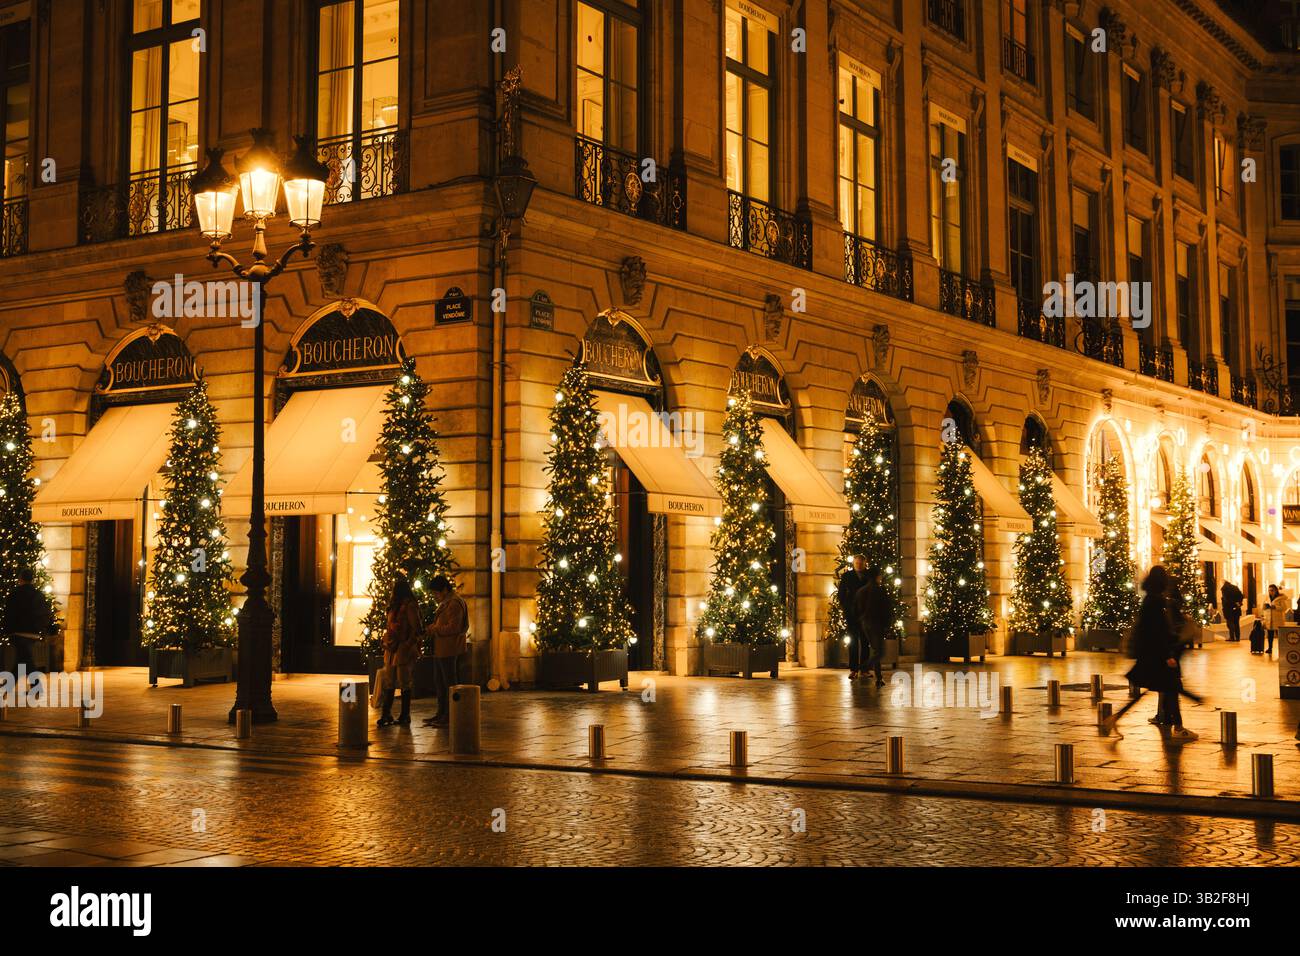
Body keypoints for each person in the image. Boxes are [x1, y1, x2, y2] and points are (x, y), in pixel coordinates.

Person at [1102, 566, 1197, 743]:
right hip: (1157, 657)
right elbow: (1157, 632)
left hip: (1151, 656)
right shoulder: (1155, 602)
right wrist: (1167, 655)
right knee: (1171, 689)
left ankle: (1114, 719)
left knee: (1167, 690)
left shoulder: (1150, 600)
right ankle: (1179, 728)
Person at [422, 575, 468, 727]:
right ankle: (441, 714)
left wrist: (435, 629)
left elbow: (454, 627)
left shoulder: (454, 603)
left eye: (436, 593)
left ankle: (450, 715)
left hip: (449, 648)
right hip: (442, 648)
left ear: (444, 590)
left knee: (449, 684)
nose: (435, 597)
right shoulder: (447, 602)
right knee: (440, 682)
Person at [377, 576, 422, 728]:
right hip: (392, 648)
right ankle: (386, 713)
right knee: (389, 681)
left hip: (403, 648)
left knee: (404, 681)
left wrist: (408, 644)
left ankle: (405, 714)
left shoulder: (409, 606)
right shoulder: (394, 606)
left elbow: (417, 628)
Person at [3, 568, 53, 675]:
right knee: (22, 662)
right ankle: (8, 687)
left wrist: (7, 630)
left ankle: (36, 687)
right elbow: (44, 613)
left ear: (20, 579)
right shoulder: (38, 595)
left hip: (18, 633)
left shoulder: (14, 594)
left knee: (26, 662)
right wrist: (40, 628)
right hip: (32, 633)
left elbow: (9, 614)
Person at [854, 567, 891, 689]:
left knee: (876, 651)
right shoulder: (879, 590)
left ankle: (879, 678)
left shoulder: (861, 591)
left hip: (865, 623)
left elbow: (858, 608)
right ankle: (864, 667)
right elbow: (885, 609)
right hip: (876, 623)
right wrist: (886, 624)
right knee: (879, 652)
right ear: (877, 577)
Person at [836, 555, 871, 680]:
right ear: (853, 563)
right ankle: (854, 669)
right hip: (851, 613)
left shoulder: (869, 576)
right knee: (853, 641)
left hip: (866, 614)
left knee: (865, 642)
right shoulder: (847, 576)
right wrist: (846, 607)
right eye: (856, 563)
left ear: (864, 563)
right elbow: (841, 594)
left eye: (860, 563)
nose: (858, 565)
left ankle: (865, 669)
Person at [1263, 584, 1288, 656]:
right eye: (1269, 590)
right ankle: (1270, 648)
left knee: (1279, 636)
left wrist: (1275, 607)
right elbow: (1263, 607)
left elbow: (1284, 608)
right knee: (1270, 635)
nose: (1270, 592)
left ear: (1275, 590)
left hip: (1278, 619)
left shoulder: (1280, 598)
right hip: (1269, 619)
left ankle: (1282, 649)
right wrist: (1265, 607)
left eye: (1272, 590)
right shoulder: (1267, 598)